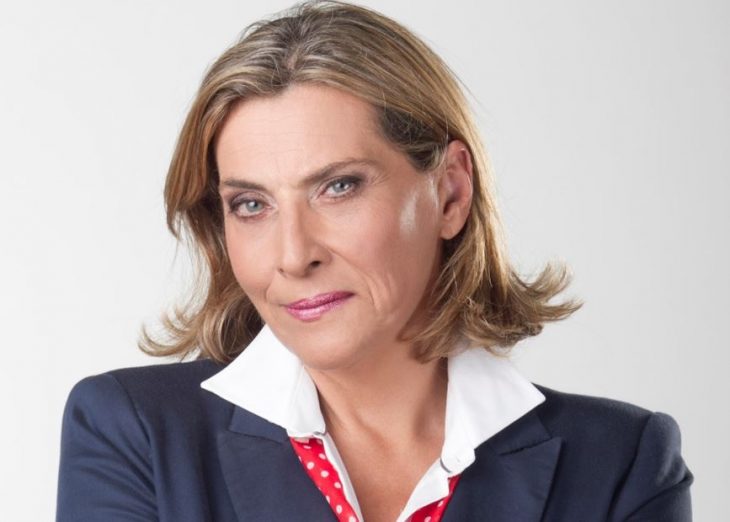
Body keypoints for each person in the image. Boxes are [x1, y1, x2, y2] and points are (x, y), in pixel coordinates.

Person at [55, 1, 693, 521]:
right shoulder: (136, 435)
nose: (293, 255)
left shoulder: (620, 465)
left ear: (451, 193)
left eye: (338, 187)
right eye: (251, 204)